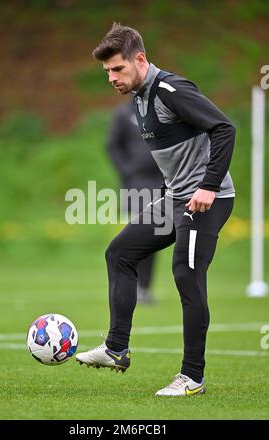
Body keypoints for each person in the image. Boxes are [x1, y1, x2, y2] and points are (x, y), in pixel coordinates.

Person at [76, 23, 235, 397]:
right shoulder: (137, 96)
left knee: (186, 274)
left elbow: (224, 128)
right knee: (120, 252)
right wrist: (169, 192)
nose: (112, 78)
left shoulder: (171, 90)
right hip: (177, 198)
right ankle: (116, 348)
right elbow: (175, 154)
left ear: (141, 59)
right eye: (107, 72)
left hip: (207, 200)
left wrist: (208, 186)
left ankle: (192, 378)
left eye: (118, 69)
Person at [106, 98, 163, 303]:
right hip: (137, 184)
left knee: (155, 237)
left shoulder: (160, 111)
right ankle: (132, 286)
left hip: (161, 183)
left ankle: (145, 288)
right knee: (138, 234)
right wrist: (127, 170)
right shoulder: (123, 113)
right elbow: (112, 146)